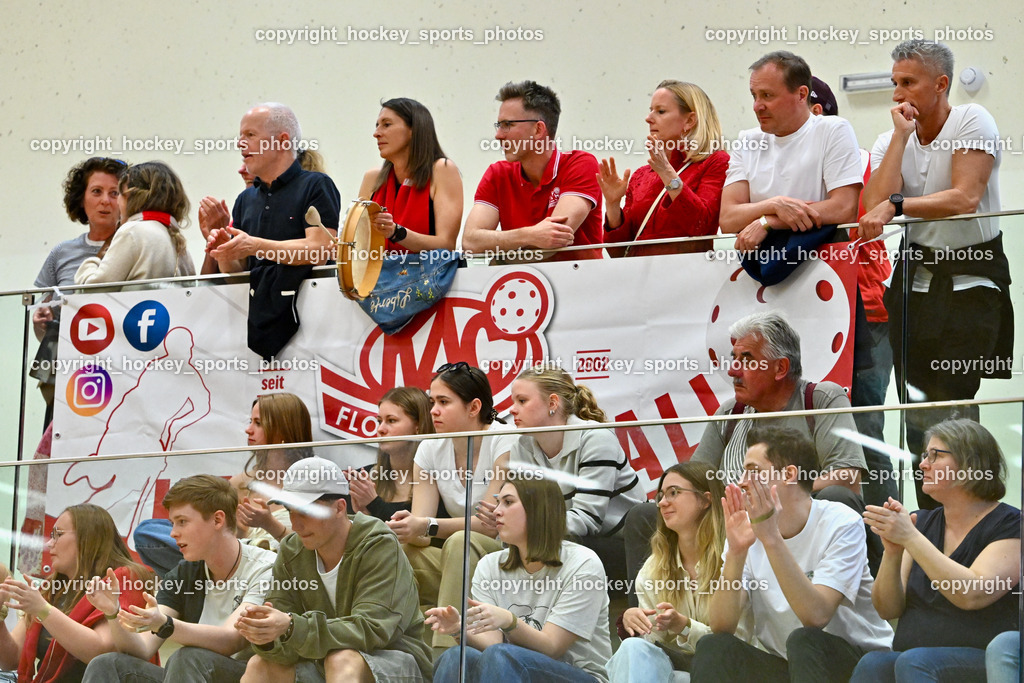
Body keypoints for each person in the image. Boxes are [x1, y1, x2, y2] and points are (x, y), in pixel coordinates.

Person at [857, 40, 1012, 510]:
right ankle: (929, 521)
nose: (897, 93)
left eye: (909, 82)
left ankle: (972, 516)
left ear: (941, 84)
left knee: (952, 406)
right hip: (914, 288)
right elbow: (872, 205)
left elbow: (965, 197)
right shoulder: (891, 139)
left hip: (971, 285)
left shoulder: (972, 119)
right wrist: (900, 139)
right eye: (895, 82)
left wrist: (898, 205)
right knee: (916, 415)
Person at [625, 310, 879, 593]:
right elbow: (695, 480)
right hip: (732, 521)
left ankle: (831, 595)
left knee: (838, 497)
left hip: (797, 522)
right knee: (644, 515)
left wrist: (766, 497)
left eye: (746, 359)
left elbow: (846, 477)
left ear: (780, 368)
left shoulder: (820, 399)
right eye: (733, 358)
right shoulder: (730, 412)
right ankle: (646, 615)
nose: (733, 370)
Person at [692, 427, 893, 683]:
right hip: (788, 665)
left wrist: (771, 538)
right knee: (714, 646)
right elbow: (721, 625)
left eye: (753, 471)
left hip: (857, 663)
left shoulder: (841, 522)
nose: (741, 481)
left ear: (788, 475)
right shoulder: (746, 530)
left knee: (804, 640)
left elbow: (816, 616)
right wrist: (736, 552)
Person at [852, 419, 1020, 682]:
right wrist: (893, 552)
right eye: (924, 455)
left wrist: (910, 537)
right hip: (913, 657)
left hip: (981, 659)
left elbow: (972, 594)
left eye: (935, 455)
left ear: (970, 465)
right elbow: (886, 609)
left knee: (915, 662)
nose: (923, 464)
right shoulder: (922, 522)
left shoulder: (1011, 524)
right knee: (873, 663)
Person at [236, 456, 431, 682]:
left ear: (339, 508)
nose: (296, 525)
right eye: (290, 511)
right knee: (259, 665)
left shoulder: (379, 545)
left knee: (342, 659)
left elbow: (372, 630)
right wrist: (267, 637)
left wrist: (291, 627)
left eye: (306, 511)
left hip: (398, 661)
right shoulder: (291, 550)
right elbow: (288, 641)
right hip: (322, 659)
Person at [82, 475, 277, 683]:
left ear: (217, 520)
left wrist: (165, 624)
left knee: (187, 658)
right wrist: (112, 613)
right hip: (192, 674)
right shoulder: (184, 572)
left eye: (182, 522)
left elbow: (231, 640)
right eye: (172, 524)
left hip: (246, 677)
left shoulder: (264, 566)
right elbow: (143, 648)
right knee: (106, 663)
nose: (173, 533)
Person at [427, 477, 612, 683]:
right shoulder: (489, 565)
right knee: (456, 657)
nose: (497, 511)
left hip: (580, 675)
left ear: (538, 510)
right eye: (498, 502)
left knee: (501, 656)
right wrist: (459, 629)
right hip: (508, 668)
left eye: (508, 502)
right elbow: (492, 642)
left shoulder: (583, 564)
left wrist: (510, 621)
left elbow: (552, 647)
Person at [385, 362, 515, 652]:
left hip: (506, 556)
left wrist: (426, 525)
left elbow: (490, 525)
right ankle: (390, 648)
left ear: (474, 407)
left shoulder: (505, 439)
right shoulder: (430, 448)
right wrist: (404, 528)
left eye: (444, 402)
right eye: (432, 402)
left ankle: (445, 654)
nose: (433, 411)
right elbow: (422, 531)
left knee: (460, 541)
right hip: (461, 559)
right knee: (397, 551)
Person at [204, 102, 342, 359]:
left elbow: (318, 251)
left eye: (250, 135)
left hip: (315, 323)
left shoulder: (316, 185)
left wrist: (255, 246)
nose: (240, 143)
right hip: (258, 324)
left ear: (282, 141)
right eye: (240, 136)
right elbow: (238, 273)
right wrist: (224, 253)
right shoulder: (245, 199)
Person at [133, 392, 314, 576]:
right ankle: (206, 571)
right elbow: (222, 537)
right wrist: (238, 530)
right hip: (230, 562)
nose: (248, 430)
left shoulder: (313, 483)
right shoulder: (241, 483)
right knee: (148, 532)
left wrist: (269, 524)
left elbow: (315, 551)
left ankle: (202, 573)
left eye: (258, 423)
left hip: (277, 570)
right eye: (250, 421)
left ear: (283, 430)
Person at [607, 463, 750, 682]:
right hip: (677, 673)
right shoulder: (653, 568)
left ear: (705, 500)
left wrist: (685, 627)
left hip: (731, 672)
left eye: (674, 493)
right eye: (661, 495)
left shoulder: (737, 556)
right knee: (632, 648)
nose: (662, 502)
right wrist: (633, 623)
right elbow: (651, 646)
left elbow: (738, 642)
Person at [719, 51, 862, 255]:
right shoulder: (747, 140)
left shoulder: (833, 129)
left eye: (767, 95)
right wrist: (774, 205)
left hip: (823, 262)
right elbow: (728, 219)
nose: (757, 106)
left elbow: (844, 209)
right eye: (754, 95)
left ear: (801, 95)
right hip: (763, 264)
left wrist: (769, 222)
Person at [0, 504, 154, 683]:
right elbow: (11, 660)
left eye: (58, 534)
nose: (50, 543)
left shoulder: (125, 578)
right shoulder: (51, 587)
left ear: (87, 538)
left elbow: (101, 653)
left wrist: (42, 609)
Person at [461, 80, 603, 261]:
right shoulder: (498, 173)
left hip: (581, 279)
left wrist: (500, 255)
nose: (498, 135)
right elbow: (470, 243)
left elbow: (551, 243)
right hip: (522, 278)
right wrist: (529, 235)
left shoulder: (581, 164)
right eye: (499, 125)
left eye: (507, 124)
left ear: (538, 129)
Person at [32, 157, 126, 427]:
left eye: (114, 193)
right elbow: (41, 318)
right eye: (96, 191)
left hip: (121, 375)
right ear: (81, 199)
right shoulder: (61, 253)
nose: (105, 201)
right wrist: (41, 320)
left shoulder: (136, 245)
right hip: (68, 376)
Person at [507, 366, 643, 537]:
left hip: (622, 542)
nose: (512, 409)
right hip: (562, 540)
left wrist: (522, 526)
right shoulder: (521, 446)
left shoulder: (596, 438)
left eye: (522, 401)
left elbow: (586, 519)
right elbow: (526, 510)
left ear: (552, 403)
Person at [599, 80, 729, 257]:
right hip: (640, 272)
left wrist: (667, 173)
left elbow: (701, 226)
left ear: (689, 120)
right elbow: (618, 252)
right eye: (650, 110)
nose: (648, 118)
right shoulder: (641, 175)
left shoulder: (716, 161)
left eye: (660, 111)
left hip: (688, 271)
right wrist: (613, 205)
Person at [357, 97, 462, 253]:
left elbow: (446, 244)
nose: (376, 133)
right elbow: (361, 243)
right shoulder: (372, 178)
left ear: (414, 130)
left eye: (387, 125)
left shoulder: (442, 169)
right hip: (379, 269)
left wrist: (396, 232)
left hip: (425, 268)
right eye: (377, 125)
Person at [74, 161, 195, 284]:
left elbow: (93, 288)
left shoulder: (131, 231)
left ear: (133, 197)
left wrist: (91, 264)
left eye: (119, 193)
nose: (117, 202)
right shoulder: (178, 241)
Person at [347, 386, 435, 521]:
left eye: (391, 421)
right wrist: (362, 515)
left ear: (418, 426)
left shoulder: (439, 478)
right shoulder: (363, 479)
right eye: (379, 421)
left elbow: (414, 530)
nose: (380, 429)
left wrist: (373, 503)